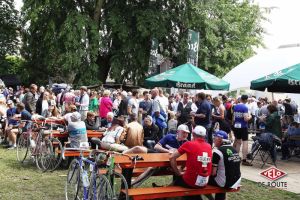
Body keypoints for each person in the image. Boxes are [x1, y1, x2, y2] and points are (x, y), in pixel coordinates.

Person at [170, 125, 212, 200]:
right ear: (205, 136)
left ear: (193, 134)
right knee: (188, 178)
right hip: (204, 182)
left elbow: (172, 157)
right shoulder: (209, 146)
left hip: (191, 182)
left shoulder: (189, 144)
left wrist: (177, 172)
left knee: (177, 179)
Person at [209, 131, 241, 200]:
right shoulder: (234, 150)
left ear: (220, 139)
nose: (213, 140)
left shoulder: (218, 152)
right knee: (221, 177)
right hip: (236, 181)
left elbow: (213, 173)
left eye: (215, 138)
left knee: (202, 180)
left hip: (226, 183)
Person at [232, 95, 252, 166]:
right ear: (246, 100)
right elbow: (246, 119)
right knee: (245, 143)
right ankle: (244, 160)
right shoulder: (245, 107)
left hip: (236, 126)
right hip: (243, 126)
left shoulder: (235, 106)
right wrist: (250, 117)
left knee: (238, 142)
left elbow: (234, 118)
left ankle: (236, 158)